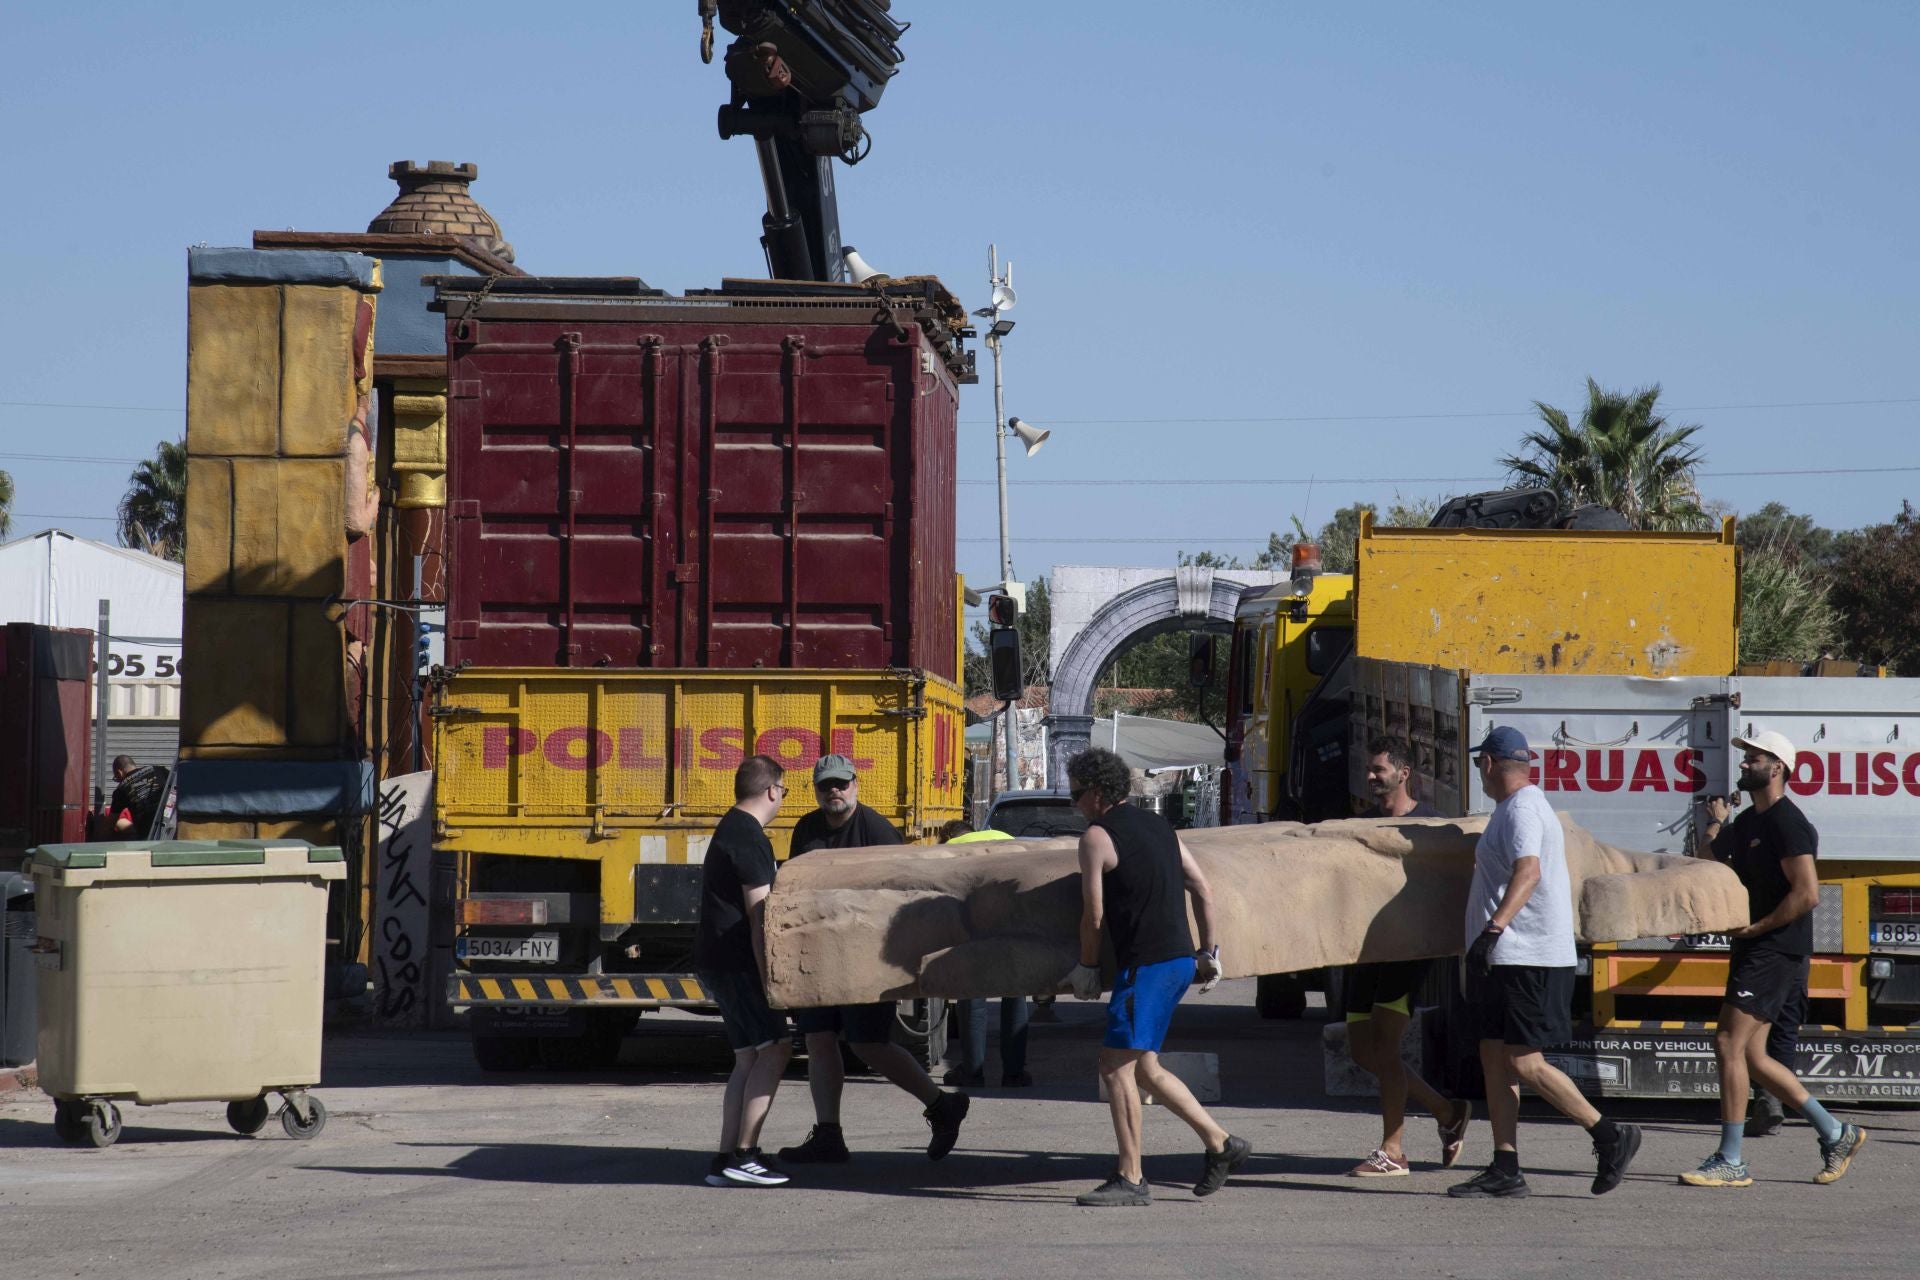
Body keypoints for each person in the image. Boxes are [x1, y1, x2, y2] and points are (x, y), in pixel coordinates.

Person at [1449, 726, 1642, 1199]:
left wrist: (1493, 929)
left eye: (1479, 764)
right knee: (1493, 1055)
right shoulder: (1511, 809)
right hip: (1506, 957)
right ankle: (1506, 1166)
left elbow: (1528, 872)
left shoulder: (1524, 809)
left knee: (1524, 1060)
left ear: (1488, 764)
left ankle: (1610, 1135)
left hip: (1527, 956)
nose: (1480, 772)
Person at [1064, 746, 1251, 1207]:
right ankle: (1222, 1143)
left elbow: (1093, 916)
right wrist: (1208, 952)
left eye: (1076, 794)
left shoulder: (1096, 838)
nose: (1074, 804)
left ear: (1096, 792)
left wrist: (1087, 967)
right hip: (1178, 961)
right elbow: (1202, 888)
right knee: (1144, 1068)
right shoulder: (1162, 827)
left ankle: (1131, 1178)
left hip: (1145, 966)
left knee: (1114, 1066)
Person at [1680, 730, 1865, 1188]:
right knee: (1754, 1056)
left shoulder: (1788, 823)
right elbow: (1707, 861)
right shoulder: (1749, 822)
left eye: (1754, 758)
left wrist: (1758, 929)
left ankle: (1731, 1159)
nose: (1744, 764)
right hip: (1755, 947)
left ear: (1777, 767)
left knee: (1727, 1042)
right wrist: (1716, 824)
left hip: (1775, 949)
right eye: (1745, 757)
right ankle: (1836, 1132)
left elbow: (1807, 894)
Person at [777, 755, 971, 1165]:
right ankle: (828, 1134)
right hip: (819, 953)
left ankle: (941, 1105)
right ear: (815, 790)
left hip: (864, 954)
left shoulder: (877, 829)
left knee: (868, 1043)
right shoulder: (806, 828)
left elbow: (899, 894)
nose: (834, 791)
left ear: (855, 785)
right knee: (818, 1039)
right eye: (826, 785)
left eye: (841, 783)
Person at [1341, 734, 1472, 1177]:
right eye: (1369, 769)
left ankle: (1393, 1151)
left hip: (1406, 954)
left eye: (1378, 769)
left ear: (1404, 773)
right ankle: (1448, 1111)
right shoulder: (1360, 825)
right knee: (1364, 1052)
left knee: (1386, 1047)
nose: (1370, 776)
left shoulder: (1430, 827)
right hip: (1364, 954)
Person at [693, 754, 793, 1187]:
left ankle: (725, 1158)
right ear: (772, 790)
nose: (782, 798)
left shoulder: (730, 828)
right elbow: (760, 916)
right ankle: (746, 1155)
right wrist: (769, 975)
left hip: (717, 959)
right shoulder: (750, 838)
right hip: (739, 962)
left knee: (748, 1056)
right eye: (783, 790)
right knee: (776, 1049)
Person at [936, 818, 1031, 1088]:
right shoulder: (1005, 837)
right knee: (1015, 994)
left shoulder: (949, 849)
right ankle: (1014, 1074)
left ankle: (973, 1071)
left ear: (947, 836)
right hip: (1014, 920)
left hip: (975, 924)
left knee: (973, 996)